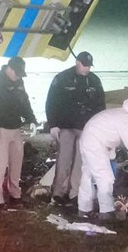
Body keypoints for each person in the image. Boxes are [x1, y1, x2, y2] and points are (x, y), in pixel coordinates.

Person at [45, 51, 105, 206]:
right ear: (77, 62)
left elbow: (100, 106)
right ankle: (57, 193)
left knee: (79, 162)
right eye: (84, 65)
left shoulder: (94, 81)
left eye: (89, 66)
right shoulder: (62, 78)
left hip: (85, 128)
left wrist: (98, 129)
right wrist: (53, 125)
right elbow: (51, 102)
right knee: (63, 159)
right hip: (66, 127)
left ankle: (74, 193)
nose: (87, 69)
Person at [78, 98, 128, 220]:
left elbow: (111, 134)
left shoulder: (120, 114)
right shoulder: (125, 119)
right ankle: (106, 212)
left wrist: (111, 154)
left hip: (88, 138)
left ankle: (84, 209)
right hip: (95, 143)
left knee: (88, 176)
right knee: (105, 178)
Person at [0, 56, 37, 209]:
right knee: (0, 165)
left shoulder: (19, 81)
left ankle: (15, 195)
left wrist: (31, 119)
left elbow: (24, 102)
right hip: (0, 129)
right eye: (17, 73)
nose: (18, 76)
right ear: (9, 69)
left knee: (16, 163)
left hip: (15, 128)